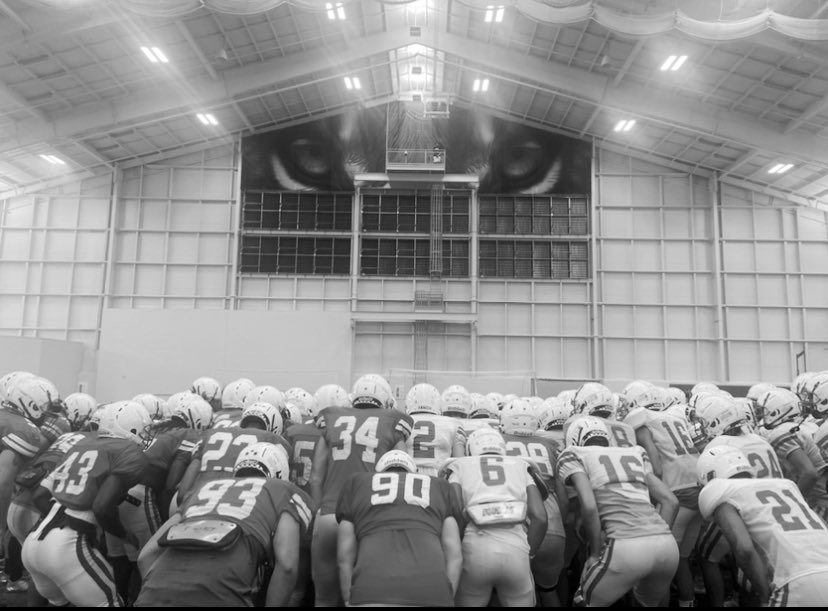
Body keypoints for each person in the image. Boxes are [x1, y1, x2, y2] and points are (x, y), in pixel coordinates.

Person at [135, 441, 313, 607]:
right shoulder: (282, 490)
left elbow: (145, 556)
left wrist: (160, 590)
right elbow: (287, 565)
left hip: (153, 596)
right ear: (280, 473)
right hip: (220, 594)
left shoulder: (203, 488)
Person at [22, 400, 151, 607]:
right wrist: (125, 536)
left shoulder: (79, 444)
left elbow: (39, 496)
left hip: (34, 540)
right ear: (131, 428)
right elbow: (102, 507)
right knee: (111, 603)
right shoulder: (128, 451)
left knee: (56, 602)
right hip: (67, 545)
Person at [309, 374, 413, 606]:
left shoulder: (332, 417)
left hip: (329, 514)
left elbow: (316, 476)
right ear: (386, 399)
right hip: (371, 517)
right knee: (368, 598)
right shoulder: (394, 421)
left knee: (323, 599)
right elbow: (402, 475)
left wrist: (319, 513)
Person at [557, 416, 680, 607]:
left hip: (625, 545)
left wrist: (595, 554)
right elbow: (671, 501)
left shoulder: (573, 453)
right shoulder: (635, 452)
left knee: (583, 602)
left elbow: (589, 506)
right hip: (667, 545)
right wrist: (657, 537)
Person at [697, 444, 828, 606]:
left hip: (798, 580)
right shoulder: (786, 485)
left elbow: (744, 548)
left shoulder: (720, 490)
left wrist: (765, 595)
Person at [336, 449, 462, 606]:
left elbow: (344, 554)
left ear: (377, 473)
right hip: (432, 590)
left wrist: (348, 598)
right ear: (414, 472)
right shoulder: (440, 487)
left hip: (371, 589)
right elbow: (454, 554)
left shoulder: (356, 483)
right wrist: (447, 596)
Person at [441, 427, 547, 607]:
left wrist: (457, 551)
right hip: (516, 546)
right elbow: (540, 517)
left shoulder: (459, 466)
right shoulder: (521, 465)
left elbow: (457, 512)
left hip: (474, 547)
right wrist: (529, 553)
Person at [624, 382, 702, 607]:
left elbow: (656, 467)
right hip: (699, 488)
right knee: (682, 558)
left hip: (677, 492)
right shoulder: (675, 416)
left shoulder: (642, 419)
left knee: (661, 566)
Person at [500, 397, 567, 607]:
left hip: (512, 528)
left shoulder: (495, 440)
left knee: (505, 595)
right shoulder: (550, 444)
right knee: (549, 591)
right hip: (552, 526)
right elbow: (562, 496)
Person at [404, 383, 466, 476]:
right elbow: (460, 462)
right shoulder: (453, 423)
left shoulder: (402, 421)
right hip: (439, 477)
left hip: (409, 475)